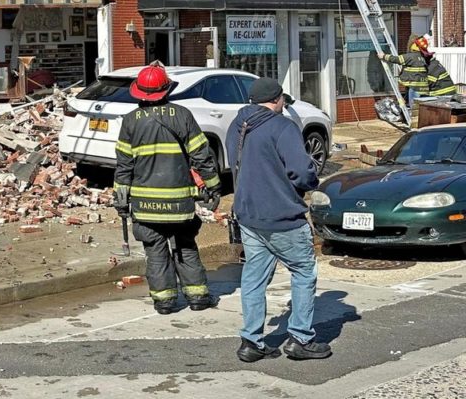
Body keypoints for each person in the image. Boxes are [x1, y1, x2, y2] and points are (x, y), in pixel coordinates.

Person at [226, 78, 330, 363]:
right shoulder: (283, 126)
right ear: (277, 100)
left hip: (248, 214)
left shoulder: (237, 125)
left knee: (254, 279)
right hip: (282, 215)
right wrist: (310, 179)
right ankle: (300, 338)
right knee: (303, 272)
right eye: (283, 100)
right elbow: (301, 171)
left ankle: (251, 341)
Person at [113, 62, 221, 315]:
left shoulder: (130, 122)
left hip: (145, 206)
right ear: (166, 91)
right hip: (179, 205)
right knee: (185, 247)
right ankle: (198, 298)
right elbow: (202, 156)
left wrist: (120, 199)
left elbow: (123, 165)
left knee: (156, 253)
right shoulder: (182, 115)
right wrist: (214, 188)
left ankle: (164, 302)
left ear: (138, 92)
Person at [376, 35, 429, 110]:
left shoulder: (410, 56)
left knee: (414, 108)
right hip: (423, 87)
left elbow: (396, 59)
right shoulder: (422, 58)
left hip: (414, 86)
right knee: (421, 107)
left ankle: (413, 120)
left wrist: (384, 56)